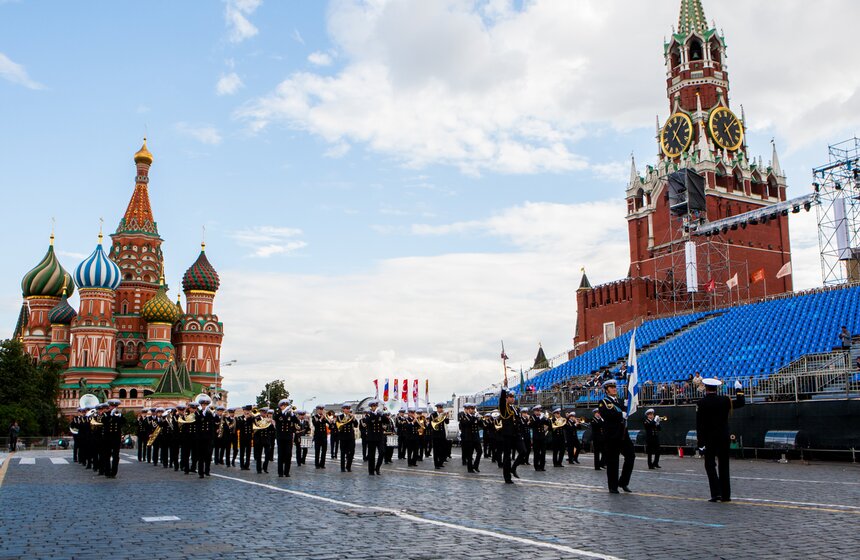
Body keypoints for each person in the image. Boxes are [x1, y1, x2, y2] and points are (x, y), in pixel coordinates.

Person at [696, 378, 745, 502]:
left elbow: (700, 425)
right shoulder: (724, 400)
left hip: (709, 438)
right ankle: (726, 494)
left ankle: (716, 493)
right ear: (716, 388)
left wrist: (700, 443)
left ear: (706, 388)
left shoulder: (701, 403)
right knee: (724, 465)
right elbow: (741, 402)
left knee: (710, 465)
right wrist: (738, 389)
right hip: (723, 437)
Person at [598, 379, 635, 494]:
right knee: (613, 461)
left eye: (615, 387)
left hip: (623, 434)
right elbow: (607, 415)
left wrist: (628, 405)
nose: (614, 389)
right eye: (611, 387)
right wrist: (620, 414)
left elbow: (627, 411)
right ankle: (613, 486)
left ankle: (623, 482)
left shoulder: (620, 401)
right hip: (612, 436)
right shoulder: (603, 402)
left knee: (631, 456)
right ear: (606, 390)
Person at [497, 388, 526, 484]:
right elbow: (501, 401)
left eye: (513, 397)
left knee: (523, 452)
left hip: (516, 434)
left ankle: (513, 468)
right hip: (507, 435)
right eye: (510, 397)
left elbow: (518, 421)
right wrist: (504, 389)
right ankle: (507, 477)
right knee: (507, 456)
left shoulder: (515, 408)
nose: (512, 399)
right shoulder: (504, 408)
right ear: (506, 398)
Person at [274, 399, 299, 477]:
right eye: (283, 406)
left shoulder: (290, 415)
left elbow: (297, 421)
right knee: (281, 455)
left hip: (288, 437)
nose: (285, 407)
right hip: (280, 437)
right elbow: (276, 418)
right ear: (280, 406)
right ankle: (280, 472)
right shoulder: (278, 414)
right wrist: (283, 412)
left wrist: (292, 414)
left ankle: (287, 472)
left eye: (286, 406)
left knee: (288, 454)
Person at [458, 403, 482, 473]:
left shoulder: (475, 417)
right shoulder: (464, 417)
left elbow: (481, 425)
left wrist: (479, 418)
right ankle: (470, 468)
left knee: (480, 452)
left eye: (473, 409)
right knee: (469, 454)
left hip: (476, 437)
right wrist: (474, 417)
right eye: (471, 409)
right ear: (468, 410)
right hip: (469, 438)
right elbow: (467, 424)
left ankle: (476, 465)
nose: (473, 410)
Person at [363, 400, 385, 475]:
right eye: (373, 406)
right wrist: (374, 414)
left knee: (382, 452)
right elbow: (367, 421)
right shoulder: (368, 415)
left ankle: (377, 467)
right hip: (371, 438)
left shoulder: (380, 414)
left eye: (375, 406)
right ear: (371, 407)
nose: (374, 407)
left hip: (379, 437)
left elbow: (386, 421)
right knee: (371, 455)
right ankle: (371, 471)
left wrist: (382, 414)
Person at [336, 404, 358, 472]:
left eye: (348, 409)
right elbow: (338, 427)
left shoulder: (351, 417)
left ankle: (348, 466)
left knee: (351, 452)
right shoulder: (339, 417)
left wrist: (354, 419)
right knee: (343, 453)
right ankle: (342, 467)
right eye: (346, 409)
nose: (347, 410)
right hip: (343, 437)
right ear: (343, 409)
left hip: (351, 437)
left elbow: (356, 425)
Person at [429, 403, 449, 469]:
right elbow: (431, 424)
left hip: (442, 434)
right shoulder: (433, 415)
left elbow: (447, 422)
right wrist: (440, 416)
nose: (441, 409)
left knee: (443, 449)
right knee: (436, 450)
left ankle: (440, 462)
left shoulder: (443, 415)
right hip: (436, 435)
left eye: (441, 408)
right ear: (437, 408)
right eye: (439, 408)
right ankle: (436, 464)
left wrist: (446, 416)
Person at [530, 405, 549, 471]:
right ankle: (536, 466)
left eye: (539, 411)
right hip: (536, 437)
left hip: (542, 437)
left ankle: (542, 466)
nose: (539, 412)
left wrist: (545, 418)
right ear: (534, 411)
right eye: (537, 411)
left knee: (543, 452)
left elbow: (548, 423)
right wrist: (540, 418)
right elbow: (534, 424)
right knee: (537, 453)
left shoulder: (542, 417)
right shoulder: (532, 417)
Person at [236, 405, 254, 470]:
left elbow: (256, 423)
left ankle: (247, 465)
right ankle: (242, 465)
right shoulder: (240, 418)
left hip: (249, 437)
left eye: (249, 410)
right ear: (243, 411)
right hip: (242, 437)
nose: (247, 412)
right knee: (242, 452)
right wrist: (245, 418)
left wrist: (252, 416)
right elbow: (239, 426)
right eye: (246, 410)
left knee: (248, 452)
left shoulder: (251, 418)